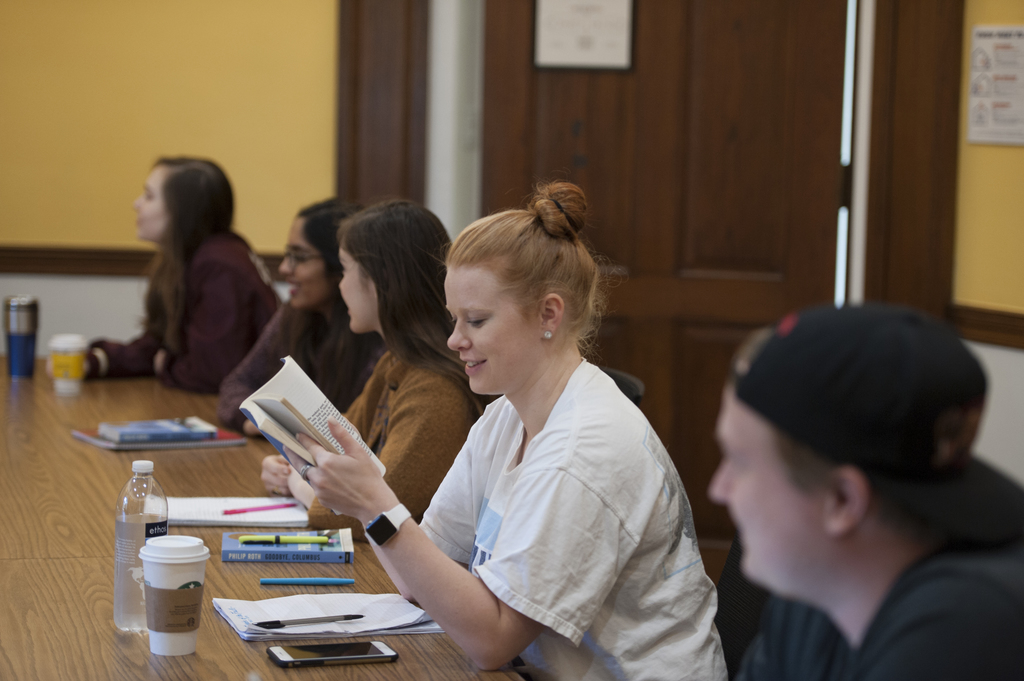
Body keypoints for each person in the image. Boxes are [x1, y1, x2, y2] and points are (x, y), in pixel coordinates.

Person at [295, 182, 726, 679]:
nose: (455, 340)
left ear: (549, 314)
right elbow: (422, 574)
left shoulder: (585, 448)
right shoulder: (506, 415)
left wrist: (376, 504)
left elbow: (492, 642)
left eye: (476, 320)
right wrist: (363, 497)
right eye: (454, 318)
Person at [709, 303, 1024, 681]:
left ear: (843, 501)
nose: (719, 490)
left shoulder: (966, 627)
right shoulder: (817, 586)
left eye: (740, 462)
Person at [260, 200, 485, 539]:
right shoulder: (396, 362)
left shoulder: (434, 389)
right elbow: (333, 448)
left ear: (380, 281)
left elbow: (372, 514)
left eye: (347, 270)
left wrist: (298, 482)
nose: (341, 285)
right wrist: (289, 467)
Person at [85, 157, 279, 392]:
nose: (136, 204)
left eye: (149, 196)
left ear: (183, 210)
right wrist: (100, 360)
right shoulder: (195, 256)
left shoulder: (219, 265)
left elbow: (212, 373)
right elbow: (159, 342)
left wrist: (165, 364)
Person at [217, 199, 384, 434]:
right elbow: (237, 384)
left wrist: (291, 427)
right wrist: (260, 421)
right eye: (287, 254)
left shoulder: (376, 333)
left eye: (300, 257)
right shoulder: (292, 315)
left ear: (339, 265)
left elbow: (362, 425)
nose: (285, 268)